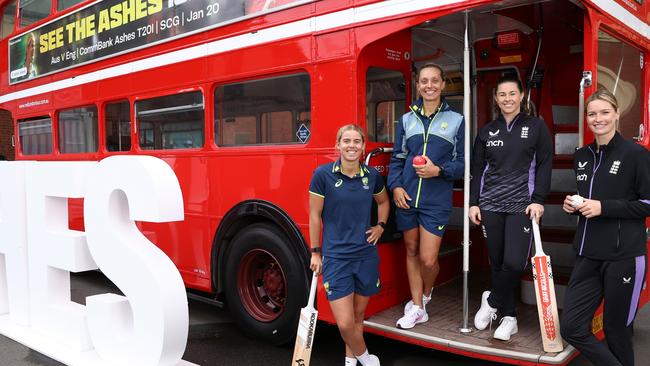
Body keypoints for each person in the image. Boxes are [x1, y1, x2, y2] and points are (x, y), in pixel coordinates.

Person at [560, 89, 650, 366]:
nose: (598, 119)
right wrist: (573, 205)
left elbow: (647, 203)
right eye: (592, 114)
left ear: (616, 114)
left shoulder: (636, 154)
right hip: (587, 255)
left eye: (604, 112)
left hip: (624, 257)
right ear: (586, 118)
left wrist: (603, 207)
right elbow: (588, 198)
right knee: (572, 327)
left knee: (617, 331)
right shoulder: (581, 156)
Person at [469, 75, 552, 341]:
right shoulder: (486, 131)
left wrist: (538, 199)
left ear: (522, 95)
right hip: (490, 205)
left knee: (514, 263)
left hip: (522, 206)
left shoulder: (536, 127)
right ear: (496, 98)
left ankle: (491, 300)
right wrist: (473, 202)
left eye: (512, 93)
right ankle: (509, 318)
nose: (507, 99)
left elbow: (544, 165)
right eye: (502, 94)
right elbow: (478, 169)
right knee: (497, 264)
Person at [387, 63, 465, 329]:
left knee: (429, 259)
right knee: (410, 250)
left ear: (443, 84)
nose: (429, 85)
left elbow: (464, 164)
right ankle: (417, 306)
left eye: (434, 80)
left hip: (436, 201)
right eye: (424, 81)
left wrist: (438, 170)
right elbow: (397, 158)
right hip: (407, 197)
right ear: (418, 85)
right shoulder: (407, 119)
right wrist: (395, 186)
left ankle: (426, 294)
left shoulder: (457, 120)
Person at [309, 124, 390, 366]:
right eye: (346, 141)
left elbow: (384, 202)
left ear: (364, 146)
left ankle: (349, 360)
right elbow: (314, 215)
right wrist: (315, 252)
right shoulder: (323, 175)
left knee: (357, 316)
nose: (352, 145)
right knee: (344, 323)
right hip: (336, 258)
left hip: (365, 255)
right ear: (338, 145)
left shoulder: (371, 176)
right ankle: (367, 359)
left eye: (357, 141)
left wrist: (381, 226)